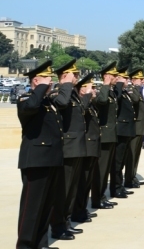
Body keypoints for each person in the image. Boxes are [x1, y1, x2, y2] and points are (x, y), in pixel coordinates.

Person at [15, 60, 65, 249]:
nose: (50, 82)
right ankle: (25, 245)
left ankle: (41, 243)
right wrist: (40, 88)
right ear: (35, 81)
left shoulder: (48, 101)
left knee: (46, 205)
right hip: (35, 160)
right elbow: (30, 107)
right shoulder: (27, 99)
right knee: (31, 207)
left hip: (51, 158)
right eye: (46, 79)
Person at [49, 59, 86, 241]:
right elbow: (61, 104)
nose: (77, 78)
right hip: (68, 147)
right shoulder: (60, 92)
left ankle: (66, 222)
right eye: (74, 75)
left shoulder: (72, 93)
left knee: (71, 189)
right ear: (64, 76)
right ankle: (57, 226)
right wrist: (64, 85)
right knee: (63, 191)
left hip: (77, 146)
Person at [71, 73, 100, 224]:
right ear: (82, 90)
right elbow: (83, 110)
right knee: (82, 183)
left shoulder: (90, 103)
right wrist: (87, 97)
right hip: (87, 146)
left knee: (87, 182)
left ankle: (82, 210)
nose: (95, 90)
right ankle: (77, 211)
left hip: (92, 145)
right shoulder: (83, 103)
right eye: (91, 88)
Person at [92, 62, 119, 210]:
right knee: (101, 170)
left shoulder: (111, 92)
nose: (116, 77)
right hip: (104, 136)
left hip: (111, 135)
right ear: (106, 76)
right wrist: (106, 84)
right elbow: (101, 101)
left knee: (106, 169)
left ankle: (102, 196)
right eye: (113, 75)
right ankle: (97, 198)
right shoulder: (103, 92)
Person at [112, 66, 138, 198]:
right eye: (125, 78)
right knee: (117, 162)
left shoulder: (125, 93)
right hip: (121, 132)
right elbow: (116, 97)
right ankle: (116, 188)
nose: (127, 80)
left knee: (121, 162)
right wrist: (119, 82)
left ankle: (119, 186)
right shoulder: (118, 92)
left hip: (127, 132)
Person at [125, 69, 144, 190]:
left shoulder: (137, 90)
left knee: (136, 154)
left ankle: (133, 176)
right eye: (139, 79)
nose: (142, 81)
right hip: (135, 127)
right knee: (131, 154)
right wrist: (137, 88)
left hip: (140, 127)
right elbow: (134, 100)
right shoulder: (132, 90)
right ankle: (129, 178)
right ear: (133, 80)